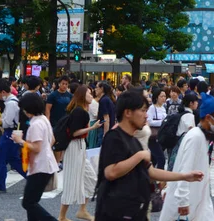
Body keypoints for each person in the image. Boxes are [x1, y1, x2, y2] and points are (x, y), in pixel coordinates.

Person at [95, 90, 204, 221]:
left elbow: (151, 171)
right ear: (128, 112)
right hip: (116, 212)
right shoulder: (114, 138)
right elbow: (111, 172)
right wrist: (140, 156)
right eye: (142, 111)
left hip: (136, 210)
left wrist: (184, 176)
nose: (146, 116)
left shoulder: (133, 140)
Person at [159, 92, 214, 221]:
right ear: (208, 117)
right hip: (187, 200)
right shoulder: (195, 137)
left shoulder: (203, 136)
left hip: (197, 197)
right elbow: (185, 168)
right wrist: (183, 200)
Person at [11, 93, 59, 221]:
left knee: (28, 202)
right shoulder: (43, 119)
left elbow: (36, 148)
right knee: (32, 201)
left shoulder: (36, 124)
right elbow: (52, 139)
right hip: (45, 165)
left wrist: (20, 140)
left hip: (40, 167)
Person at [59, 85, 102, 221]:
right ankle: (62, 216)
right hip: (74, 147)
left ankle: (82, 210)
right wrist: (92, 128)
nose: (92, 95)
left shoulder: (82, 110)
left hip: (80, 147)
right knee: (71, 181)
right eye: (89, 93)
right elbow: (74, 133)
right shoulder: (79, 112)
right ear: (83, 96)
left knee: (91, 179)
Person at [0, 79, 27, 192]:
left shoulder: (11, 103)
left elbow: (7, 122)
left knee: (1, 159)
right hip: (13, 133)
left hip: (9, 133)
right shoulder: (13, 101)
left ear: (3, 92)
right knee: (14, 160)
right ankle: (32, 178)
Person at [147, 87, 167, 170]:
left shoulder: (163, 108)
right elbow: (149, 121)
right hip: (153, 137)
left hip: (161, 136)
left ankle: (149, 177)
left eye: (165, 96)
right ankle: (159, 178)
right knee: (161, 159)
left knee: (154, 159)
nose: (163, 98)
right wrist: (161, 122)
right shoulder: (152, 108)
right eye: (161, 96)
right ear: (156, 97)